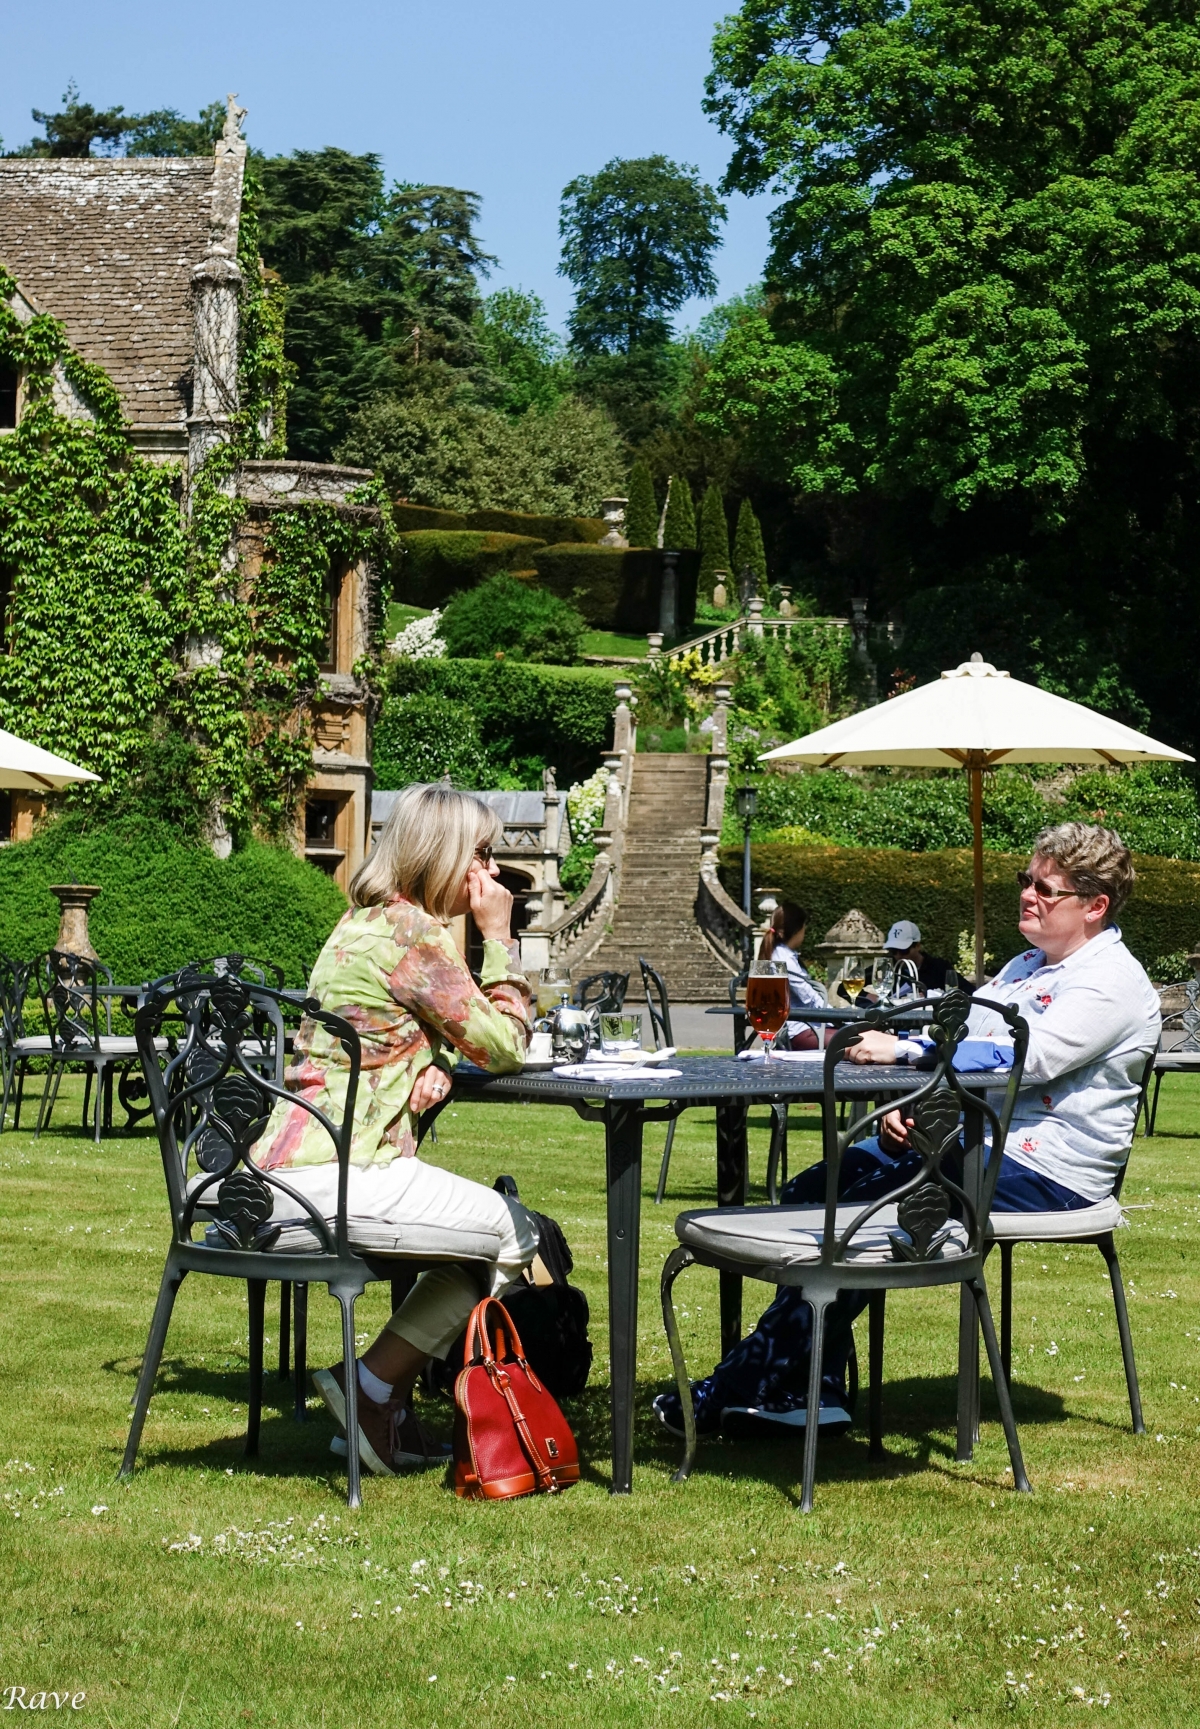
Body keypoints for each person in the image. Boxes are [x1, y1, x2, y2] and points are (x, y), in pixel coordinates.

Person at [655, 822, 1160, 1441]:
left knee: (863, 1211)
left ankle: (749, 1387)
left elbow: (1021, 1061)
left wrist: (907, 1055)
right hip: (974, 1146)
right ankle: (814, 1387)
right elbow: (962, 1031)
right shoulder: (1029, 964)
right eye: (1025, 881)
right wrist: (916, 1102)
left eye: (1044, 888)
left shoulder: (1110, 979)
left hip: (1049, 1171)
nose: (1027, 895)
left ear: (1095, 905)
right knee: (821, 1184)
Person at [251, 783, 537, 1477]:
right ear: (444, 856)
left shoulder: (361, 922)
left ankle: (383, 1407)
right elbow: (504, 1045)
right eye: (482, 854)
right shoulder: (417, 934)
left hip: (280, 1166)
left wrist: (431, 1058)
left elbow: (395, 1023)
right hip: (345, 1173)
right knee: (514, 1233)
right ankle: (370, 1384)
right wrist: (498, 939)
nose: (492, 872)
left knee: (470, 1242)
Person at [759, 902, 826, 1051]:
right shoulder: (785, 961)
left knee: (862, 1036)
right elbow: (809, 999)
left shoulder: (776, 954)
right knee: (859, 1038)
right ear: (797, 930)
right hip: (801, 1031)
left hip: (798, 1028)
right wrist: (842, 1018)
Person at [857, 920, 957, 1003]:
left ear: (917, 946)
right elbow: (844, 989)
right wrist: (870, 997)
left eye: (903, 950)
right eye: (893, 951)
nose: (898, 955)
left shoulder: (938, 967)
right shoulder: (887, 965)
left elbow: (966, 993)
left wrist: (933, 996)